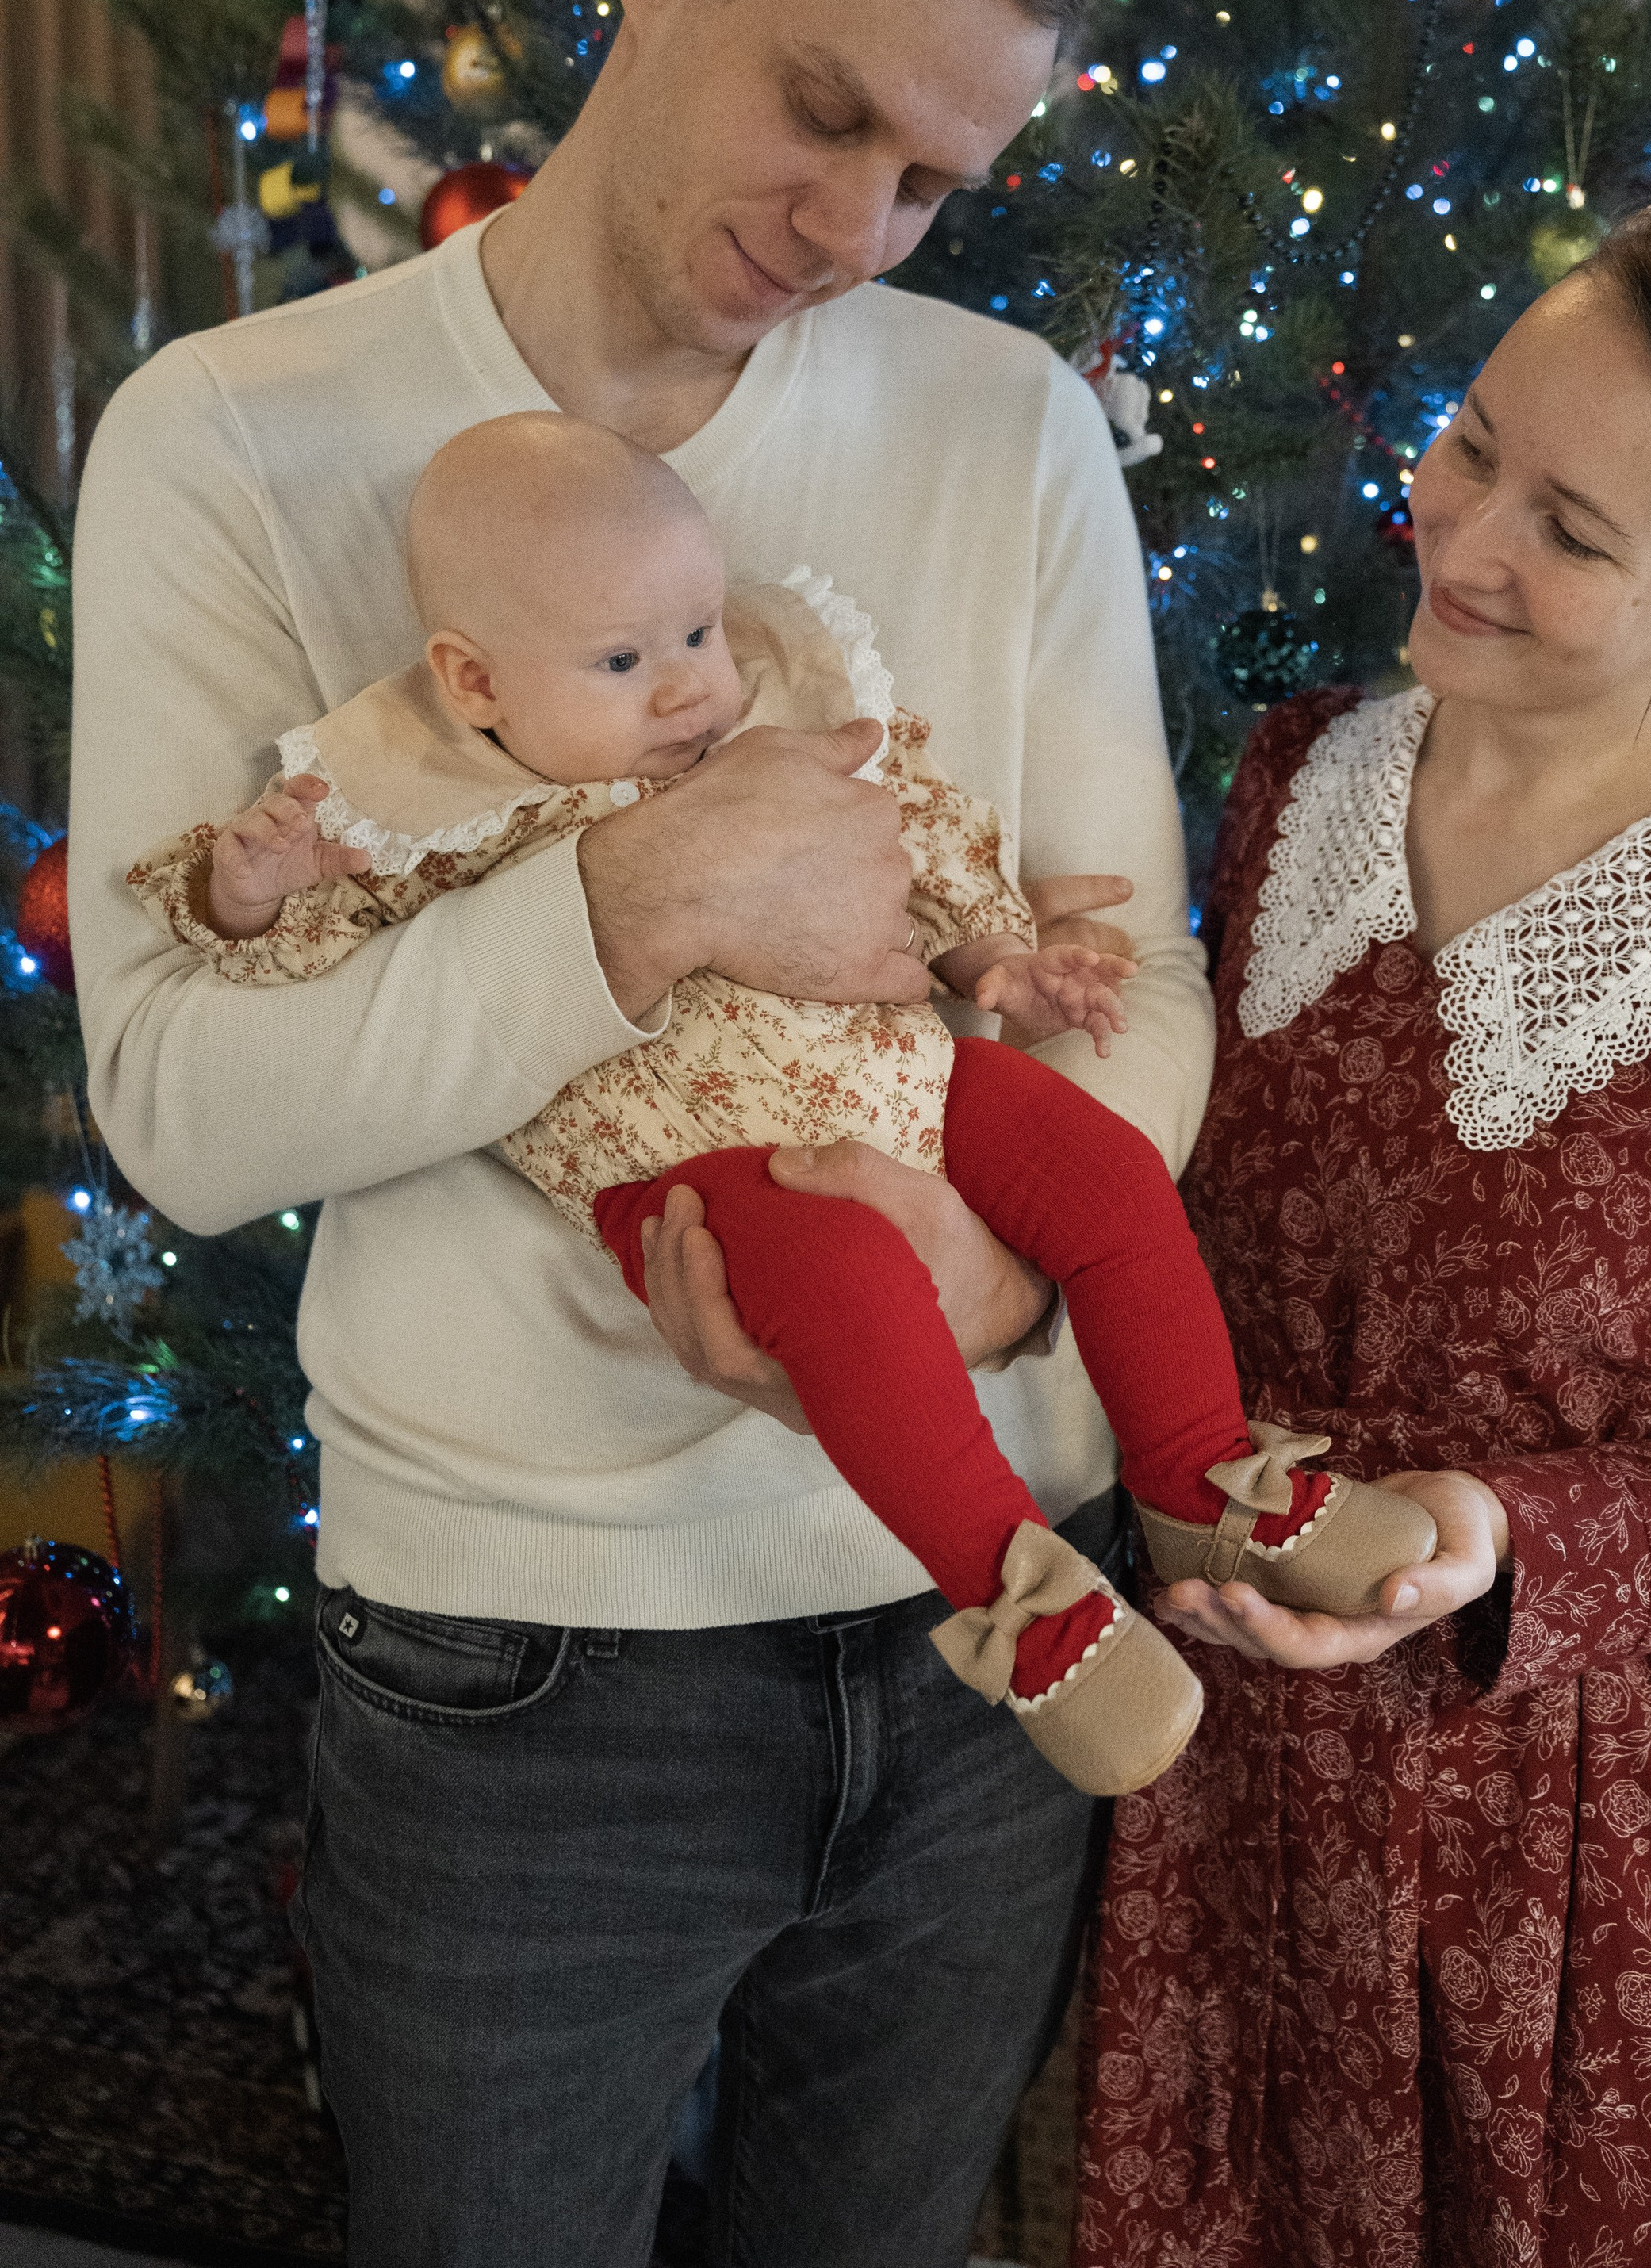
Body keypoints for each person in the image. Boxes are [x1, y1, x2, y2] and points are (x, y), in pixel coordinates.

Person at [69, 0, 1217, 2268]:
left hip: (996, 1637)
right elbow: (180, 1097)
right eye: (824, 109)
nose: (851, 225)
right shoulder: (241, 446)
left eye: (932, 179)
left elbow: (1138, 970)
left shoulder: (1005, 429)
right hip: (525, 1677)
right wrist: (635, 910)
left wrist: (993, 1268)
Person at [1073, 191, 1651, 2268]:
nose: (1467, 540)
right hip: (1244, 1786)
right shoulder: (1299, 778)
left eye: (1573, 534)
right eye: (1473, 442)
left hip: (1589, 1859)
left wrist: (1495, 1531)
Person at [130, 416, 1435, 1795]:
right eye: (624, 661)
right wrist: (252, 888)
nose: (689, 684)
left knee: (1103, 1172)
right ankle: (1026, 1604)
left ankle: (1202, 1478)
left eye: (698, 632)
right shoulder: (434, 814)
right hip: (695, 1164)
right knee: (852, 1278)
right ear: (474, 680)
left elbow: (910, 854)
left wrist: (999, 958)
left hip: (901, 1071)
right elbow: (300, 972)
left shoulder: (771, 728)